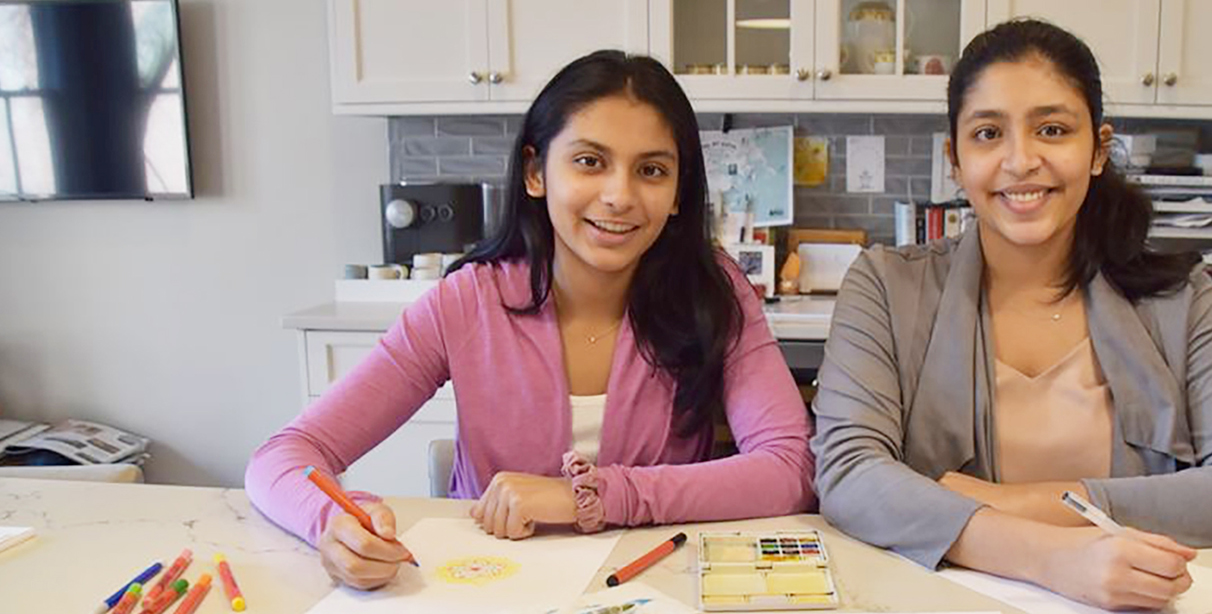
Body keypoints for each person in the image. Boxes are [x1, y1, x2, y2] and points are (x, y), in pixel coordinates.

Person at [246, 50, 815, 590]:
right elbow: (284, 457)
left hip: (653, 585)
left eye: (651, 170)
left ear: (676, 193)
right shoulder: (465, 303)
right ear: (536, 172)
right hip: (491, 586)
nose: (619, 195)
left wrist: (591, 497)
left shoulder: (715, 292)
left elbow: (791, 469)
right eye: (590, 162)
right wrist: (333, 525)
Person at [810, 19, 1212, 611]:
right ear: (955, 161)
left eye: (1052, 129)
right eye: (988, 133)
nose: (1021, 160)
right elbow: (849, 476)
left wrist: (1017, 502)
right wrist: (1051, 557)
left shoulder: (1182, 297)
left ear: (1098, 150)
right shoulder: (885, 286)